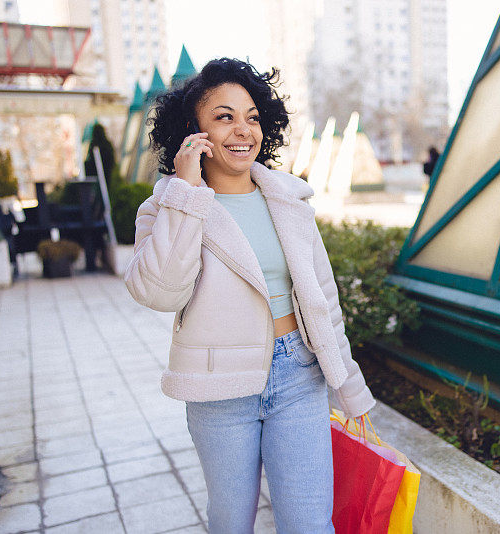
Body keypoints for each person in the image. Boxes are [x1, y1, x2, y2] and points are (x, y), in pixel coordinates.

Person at [124, 57, 376, 533]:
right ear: (191, 132)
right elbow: (158, 291)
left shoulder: (288, 199)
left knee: (309, 524)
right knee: (231, 523)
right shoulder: (166, 205)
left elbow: (323, 302)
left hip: (299, 376)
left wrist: (352, 391)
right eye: (224, 117)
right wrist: (187, 191)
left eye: (252, 117)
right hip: (218, 388)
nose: (243, 130)